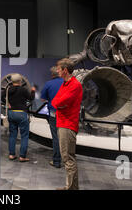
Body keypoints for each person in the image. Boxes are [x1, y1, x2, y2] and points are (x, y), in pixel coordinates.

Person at [51, 58, 83, 190]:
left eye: (59, 69)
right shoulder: (65, 84)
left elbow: (58, 102)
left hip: (67, 124)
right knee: (66, 157)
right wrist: (60, 104)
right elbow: (55, 101)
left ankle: (72, 188)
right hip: (62, 123)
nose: (57, 71)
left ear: (65, 70)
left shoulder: (75, 85)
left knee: (68, 158)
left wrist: (60, 104)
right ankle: (70, 186)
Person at [1, 73, 35, 162]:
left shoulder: (8, 89)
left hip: (11, 113)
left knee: (12, 135)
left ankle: (12, 155)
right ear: (20, 81)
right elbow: (31, 98)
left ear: (11, 81)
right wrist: (33, 91)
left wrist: (7, 103)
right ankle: (22, 156)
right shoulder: (23, 90)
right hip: (21, 114)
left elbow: (1, 97)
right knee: (24, 135)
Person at [41, 66, 64, 168]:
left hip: (54, 114)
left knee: (56, 138)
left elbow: (43, 99)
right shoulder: (67, 83)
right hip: (67, 114)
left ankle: (57, 161)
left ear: (52, 75)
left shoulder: (48, 84)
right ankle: (68, 160)